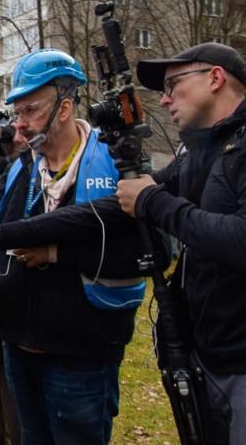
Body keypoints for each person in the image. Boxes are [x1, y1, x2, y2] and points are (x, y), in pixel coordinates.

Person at [0, 49, 153, 444]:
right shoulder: (22, 169)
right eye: (17, 112)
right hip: (18, 347)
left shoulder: (115, 163)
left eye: (30, 110)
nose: (20, 123)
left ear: (65, 108)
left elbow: (146, 253)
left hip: (83, 352)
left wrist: (56, 254)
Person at [115, 42, 246, 444]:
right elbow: (126, 200)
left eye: (173, 83)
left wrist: (154, 203)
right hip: (207, 357)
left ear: (215, 78)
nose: (165, 98)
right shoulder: (198, 153)